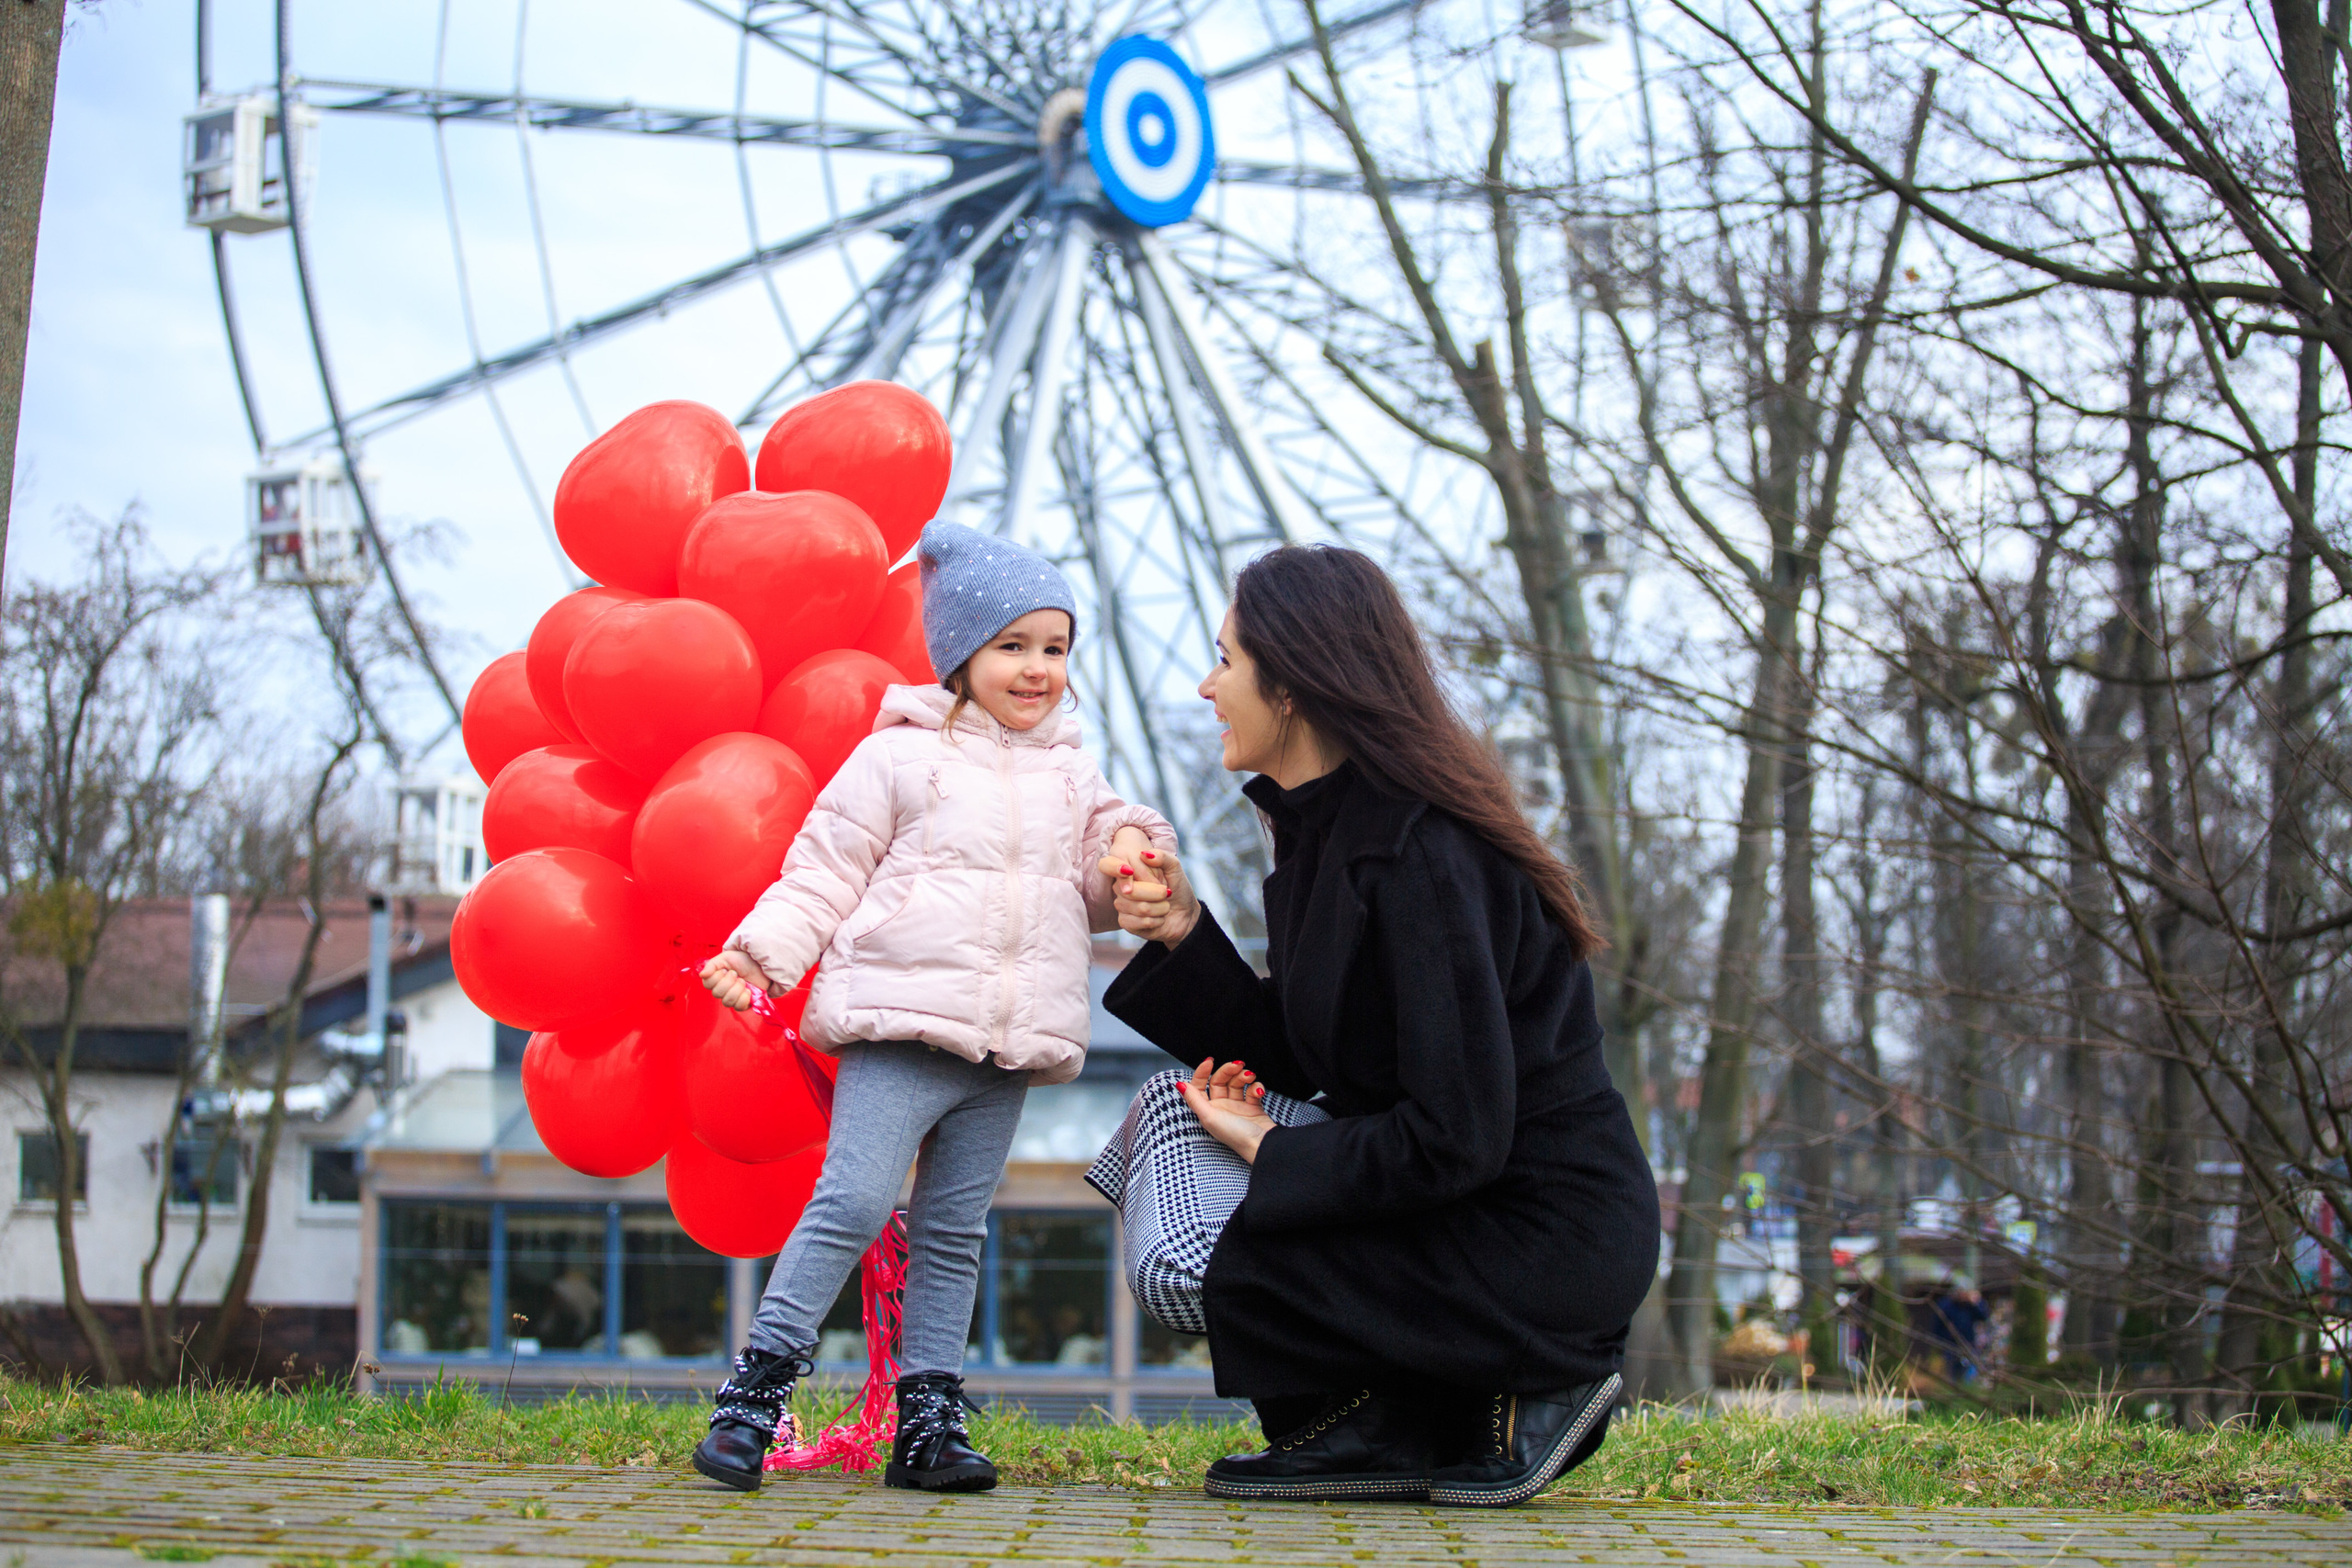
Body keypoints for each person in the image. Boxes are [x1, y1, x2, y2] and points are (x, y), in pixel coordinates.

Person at [1089, 545, 1660, 1508]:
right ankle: (1380, 1424)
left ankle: (1526, 1382)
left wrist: (1273, 1149)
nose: (1204, 684)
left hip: (1537, 1238)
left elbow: (1456, 1137)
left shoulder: (1420, 855)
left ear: (1294, 683)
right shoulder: (1329, 833)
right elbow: (1306, 1051)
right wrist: (1186, 928)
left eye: (1225, 660)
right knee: (1169, 1113)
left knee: (1200, 1262)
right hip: (1455, 1206)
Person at [687, 521, 1174, 1495]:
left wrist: (1132, 850)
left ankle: (928, 1419)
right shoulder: (895, 759)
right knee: (855, 1201)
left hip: (1005, 1043)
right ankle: (756, 1394)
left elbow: (1096, 867)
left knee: (954, 1232)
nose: (1037, 670)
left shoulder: (1074, 772)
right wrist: (762, 955)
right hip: (901, 1025)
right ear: (959, 654)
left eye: (1054, 649)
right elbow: (823, 871)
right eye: (1012, 646)